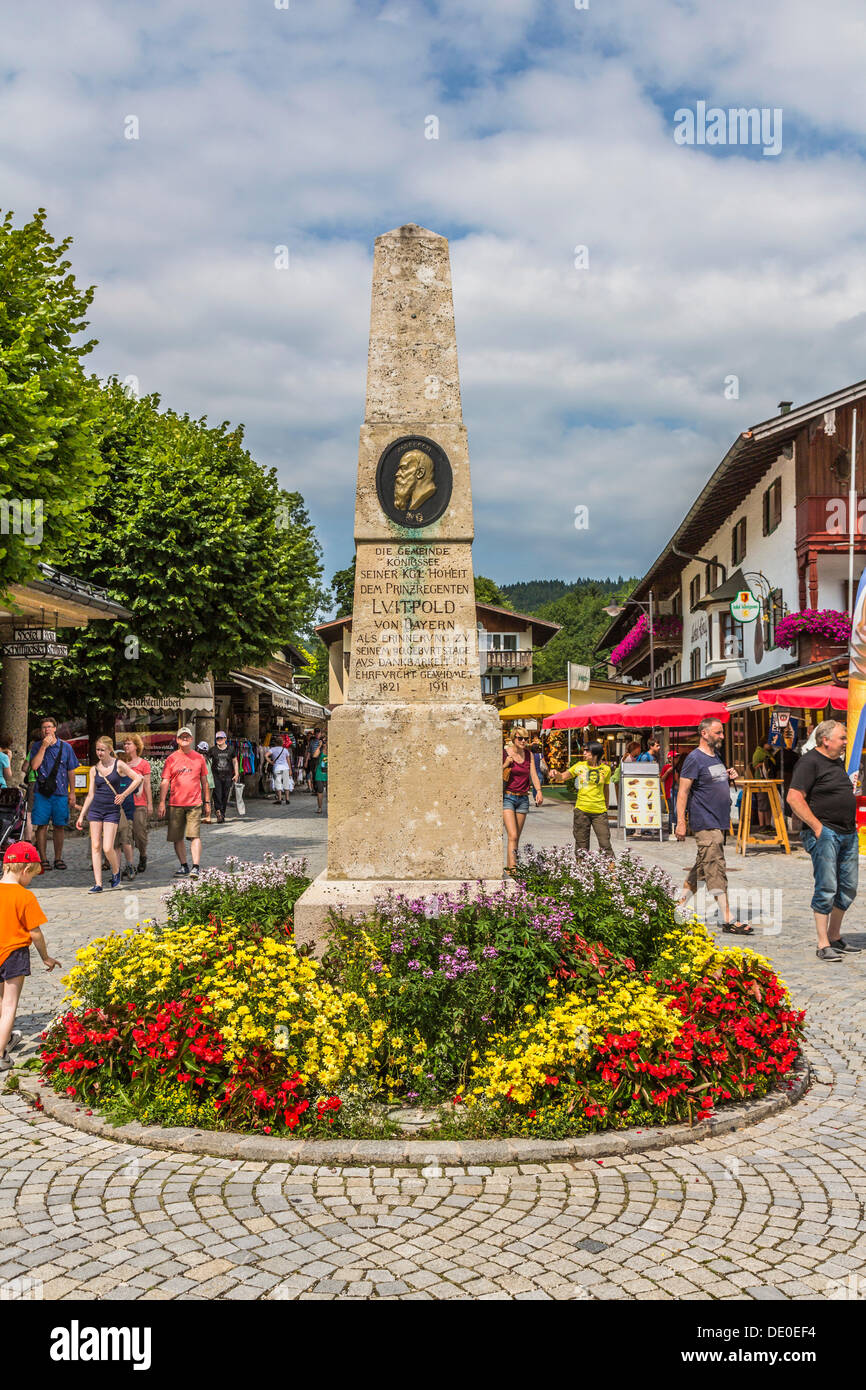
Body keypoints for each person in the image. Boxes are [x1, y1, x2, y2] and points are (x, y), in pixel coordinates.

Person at [786, 720, 862, 963]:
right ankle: (823, 944)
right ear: (825, 740)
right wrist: (818, 828)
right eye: (842, 738)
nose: (845, 742)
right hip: (825, 833)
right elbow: (794, 798)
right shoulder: (809, 763)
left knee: (848, 887)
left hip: (848, 832)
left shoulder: (837, 761)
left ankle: (835, 936)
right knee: (827, 887)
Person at [675, 717, 748, 932]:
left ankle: (678, 908)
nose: (723, 737)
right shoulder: (694, 759)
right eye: (718, 733)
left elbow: (711, 781)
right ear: (704, 733)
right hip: (705, 822)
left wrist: (727, 775)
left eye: (723, 732)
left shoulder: (715, 756)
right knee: (715, 866)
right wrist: (680, 822)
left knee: (701, 868)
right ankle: (727, 917)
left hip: (718, 821)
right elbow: (683, 792)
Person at [0, 841, 60, 1072]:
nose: (31, 880)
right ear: (24, 870)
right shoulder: (25, 897)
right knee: (9, 1004)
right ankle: (1, 1053)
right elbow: (35, 932)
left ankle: (4, 1040)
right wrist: (45, 957)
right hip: (14, 953)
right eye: (32, 876)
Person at [76, 737, 144, 893]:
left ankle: (115, 870)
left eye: (102, 750)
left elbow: (138, 778)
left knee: (108, 847)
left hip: (111, 809)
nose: (99, 753)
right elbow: (90, 795)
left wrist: (124, 794)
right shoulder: (94, 769)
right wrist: (81, 816)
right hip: (95, 809)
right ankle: (98, 883)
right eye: (97, 750)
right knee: (95, 846)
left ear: (109, 750)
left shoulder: (118, 764)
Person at [158, 727, 210, 880]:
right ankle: (184, 865)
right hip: (176, 803)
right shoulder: (171, 759)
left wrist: (207, 802)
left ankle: (196, 867)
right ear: (178, 740)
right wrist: (162, 802)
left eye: (187, 736)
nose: (185, 739)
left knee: (194, 835)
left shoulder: (199, 758)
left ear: (191, 739)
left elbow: (204, 782)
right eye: (182, 737)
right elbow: (165, 781)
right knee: (177, 837)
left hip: (194, 803)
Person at [28, 716, 79, 872]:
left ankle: (58, 858)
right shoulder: (37, 746)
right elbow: (34, 766)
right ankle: (43, 859)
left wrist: (73, 792)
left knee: (59, 826)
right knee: (41, 826)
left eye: (49, 727)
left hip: (61, 792)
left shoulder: (66, 747)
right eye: (44, 727)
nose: (47, 730)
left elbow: (71, 770)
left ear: (55, 728)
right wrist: (43, 747)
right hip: (42, 792)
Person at [552, 741, 614, 857]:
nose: (584, 752)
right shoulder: (579, 766)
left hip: (599, 812)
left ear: (595, 753)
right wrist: (556, 774)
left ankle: (611, 872)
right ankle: (581, 872)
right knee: (581, 846)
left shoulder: (606, 769)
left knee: (605, 843)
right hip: (581, 811)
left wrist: (606, 805)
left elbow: (606, 788)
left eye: (587, 750)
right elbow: (563, 776)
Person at [502, 731, 543, 871]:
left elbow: (533, 774)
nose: (523, 741)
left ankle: (511, 867)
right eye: (520, 738)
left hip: (523, 798)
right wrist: (506, 763)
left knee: (516, 837)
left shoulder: (528, 754)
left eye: (526, 738)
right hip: (508, 797)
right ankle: (514, 872)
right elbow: (494, 772)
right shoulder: (504, 753)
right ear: (514, 739)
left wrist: (539, 791)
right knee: (512, 834)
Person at [118, 734, 152, 875]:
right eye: (125, 744)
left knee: (140, 834)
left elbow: (147, 785)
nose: (126, 746)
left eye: (129, 744)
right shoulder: (121, 763)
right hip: (124, 804)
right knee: (126, 835)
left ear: (136, 746)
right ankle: (129, 864)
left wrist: (150, 803)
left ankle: (143, 855)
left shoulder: (143, 764)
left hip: (139, 803)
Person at [209, 732, 238, 824]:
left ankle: (222, 813)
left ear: (225, 739)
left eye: (221, 738)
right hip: (216, 776)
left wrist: (236, 773)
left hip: (228, 776)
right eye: (217, 738)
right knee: (217, 795)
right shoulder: (213, 750)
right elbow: (206, 761)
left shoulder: (231, 749)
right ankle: (218, 812)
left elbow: (235, 761)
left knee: (225, 796)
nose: (219, 740)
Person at [751, 737, 776, 829]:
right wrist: (764, 764)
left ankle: (768, 824)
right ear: (764, 744)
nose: (770, 746)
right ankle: (762, 825)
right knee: (762, 803)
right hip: (761, 780)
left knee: (768, 804)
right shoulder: (758, 753)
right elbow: (754, 766)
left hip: (768, 781)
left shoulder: (768, 752)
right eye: (768, 744)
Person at [268, 740, 293, 805]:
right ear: (282, 743)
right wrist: (290, 770)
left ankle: (279, 799)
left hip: (277, 768)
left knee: (278, 783)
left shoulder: (272, 749)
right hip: (285, 768)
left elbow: (265, 755)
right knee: (286, 783)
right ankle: (287, 799)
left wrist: (270, 762)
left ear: (276, 743)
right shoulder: (285, 750)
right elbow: (288, 760)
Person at [198, 741, 215, 822]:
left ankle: (199, 816)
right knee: (208, 801)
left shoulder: (198, 758)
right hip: (210, 783)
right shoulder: (210, 759)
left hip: (201, 784)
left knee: (200, 801)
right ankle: (208, 816)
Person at [312, 733, 328, 814]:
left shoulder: (332, 750)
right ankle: (320, 807)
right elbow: (314, 756)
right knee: (320, 791)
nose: (325, 743)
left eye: (326, 741)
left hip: (329, 773)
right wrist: (319, 746)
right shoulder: (320, 750)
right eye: (323, 741)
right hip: (319, 773)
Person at [305, 728, 323, 793]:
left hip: (320, 760)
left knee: (318, 774)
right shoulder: (311, 741)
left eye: (318, 733)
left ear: (320, 733)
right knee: (314, 774)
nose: (317, 734)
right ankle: (316, 790)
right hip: (313, 760)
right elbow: (309, 751)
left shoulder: (322, 742)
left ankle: (319, 789)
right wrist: (306, 761)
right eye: (316, 733)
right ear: (314, 734)